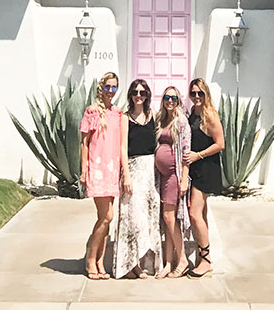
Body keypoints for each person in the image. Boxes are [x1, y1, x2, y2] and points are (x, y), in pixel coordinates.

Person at [114, 78, 161, 279]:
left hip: (151, 171)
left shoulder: (154, 115)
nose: (139, 96)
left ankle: (146, 263)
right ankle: (130, 264)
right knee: (132, 217)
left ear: (148, 95)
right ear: (131, 95)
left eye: (143, 93)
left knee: (149, 218)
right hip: (133, 169)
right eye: (135, 92)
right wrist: (126, 175)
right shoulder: (125, 118)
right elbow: (123, 148)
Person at [79, 72, 122, 279]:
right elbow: (84, 143)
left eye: (114, 87)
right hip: (97, 169)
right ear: (101, 87)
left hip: (113, 169)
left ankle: (100, 262)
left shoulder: (117, 113)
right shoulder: (92, 111)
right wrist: (83, 170)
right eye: (108, 87)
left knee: (105, 219)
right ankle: (90, 258)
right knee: (107, 216)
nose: (111, 91)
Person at [184, 77, 225, 278]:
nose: (197, 97)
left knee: (194, 213)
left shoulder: (210, 116)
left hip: (206, 168)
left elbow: (220, 143)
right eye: (193, 93)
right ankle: (203, 257)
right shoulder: (193, 113)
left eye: (200, 93)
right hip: (195, 168)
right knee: (202, 214)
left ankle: (206, 260)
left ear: (206, 93)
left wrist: (197, 155)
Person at [153, 85, 191, 278]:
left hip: (174, 177)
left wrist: (184, 179)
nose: (170, 101)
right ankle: (168, 263)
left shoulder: (182, 122)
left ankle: (182, 259)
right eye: (167, 97)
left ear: (178, 101)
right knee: (167, 221)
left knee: (169, 218)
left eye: (174, 98)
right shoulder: (161, 119)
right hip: (162, 177)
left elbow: (186, 153)